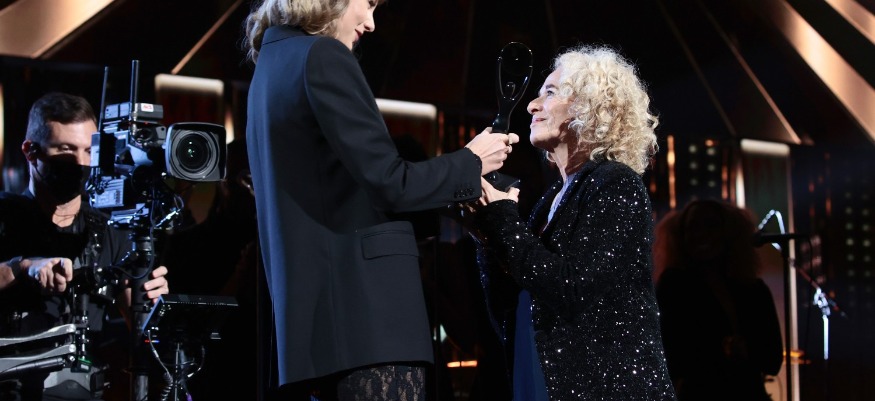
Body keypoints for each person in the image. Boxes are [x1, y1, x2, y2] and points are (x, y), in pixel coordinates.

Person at [241, 0, 519, 400]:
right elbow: (391, 182)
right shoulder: (323, 55)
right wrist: (471, 161)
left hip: (317, 330)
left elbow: (342, 191)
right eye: (368, 3)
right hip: (369, 320)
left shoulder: (271, 65)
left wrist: (460, 199)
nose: (371, 23)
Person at [468, 45, 677, 400]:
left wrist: (503, 219)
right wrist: (487, 233)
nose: (532, 106)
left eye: (550, 92)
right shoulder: (549, 201)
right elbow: (509, 308)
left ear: (590, 107)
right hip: (541, 380)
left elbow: (571, 289)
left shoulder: (616, 183)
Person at [0, 92, 171, 401]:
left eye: (89, 151)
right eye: (65, 150)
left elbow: (144, 333)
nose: (80, 163)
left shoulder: (111, 231)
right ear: (30, 152)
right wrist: (22, 268)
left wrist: (150, 303)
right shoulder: (5, 215)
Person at [653, 199, 784, 401]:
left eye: (711, 225)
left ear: (728, 233)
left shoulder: (754, 289)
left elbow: (773, 360)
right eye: (693, 227)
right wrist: (722, 352)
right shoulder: (674, 285)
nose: (701, 234)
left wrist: (746, 350)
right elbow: (670, 356)